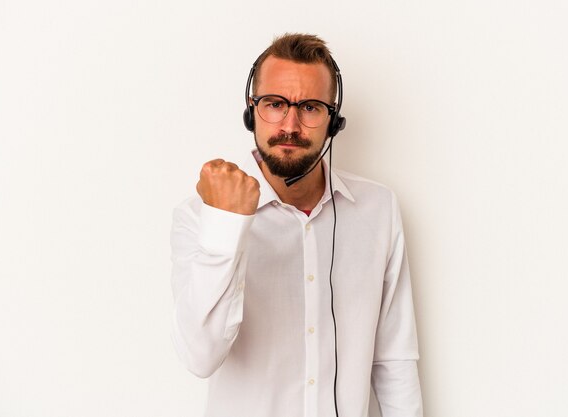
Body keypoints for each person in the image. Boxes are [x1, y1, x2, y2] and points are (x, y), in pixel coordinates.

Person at [170, 33, 423, 417]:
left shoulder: (378, 208)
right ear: (251, 111)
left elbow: (394, 359)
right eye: (274, 104)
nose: (290, 125)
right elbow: (200, 356)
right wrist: (227, 223)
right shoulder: (199, 216)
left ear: (333, 120)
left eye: (309, 107)